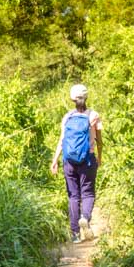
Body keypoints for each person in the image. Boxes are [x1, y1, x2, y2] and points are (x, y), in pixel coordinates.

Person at [50, 83, 102, 243]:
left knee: (73, 196)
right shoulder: (93, 116)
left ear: (72, 99)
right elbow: (99, 140)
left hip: (69, 160)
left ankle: (75, 235)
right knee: (88, 193)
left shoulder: (67, 117)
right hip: (87, 159)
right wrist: (99, 156)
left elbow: (62, 140)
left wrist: (55, 160)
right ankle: (85, 217)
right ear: (86, 97)